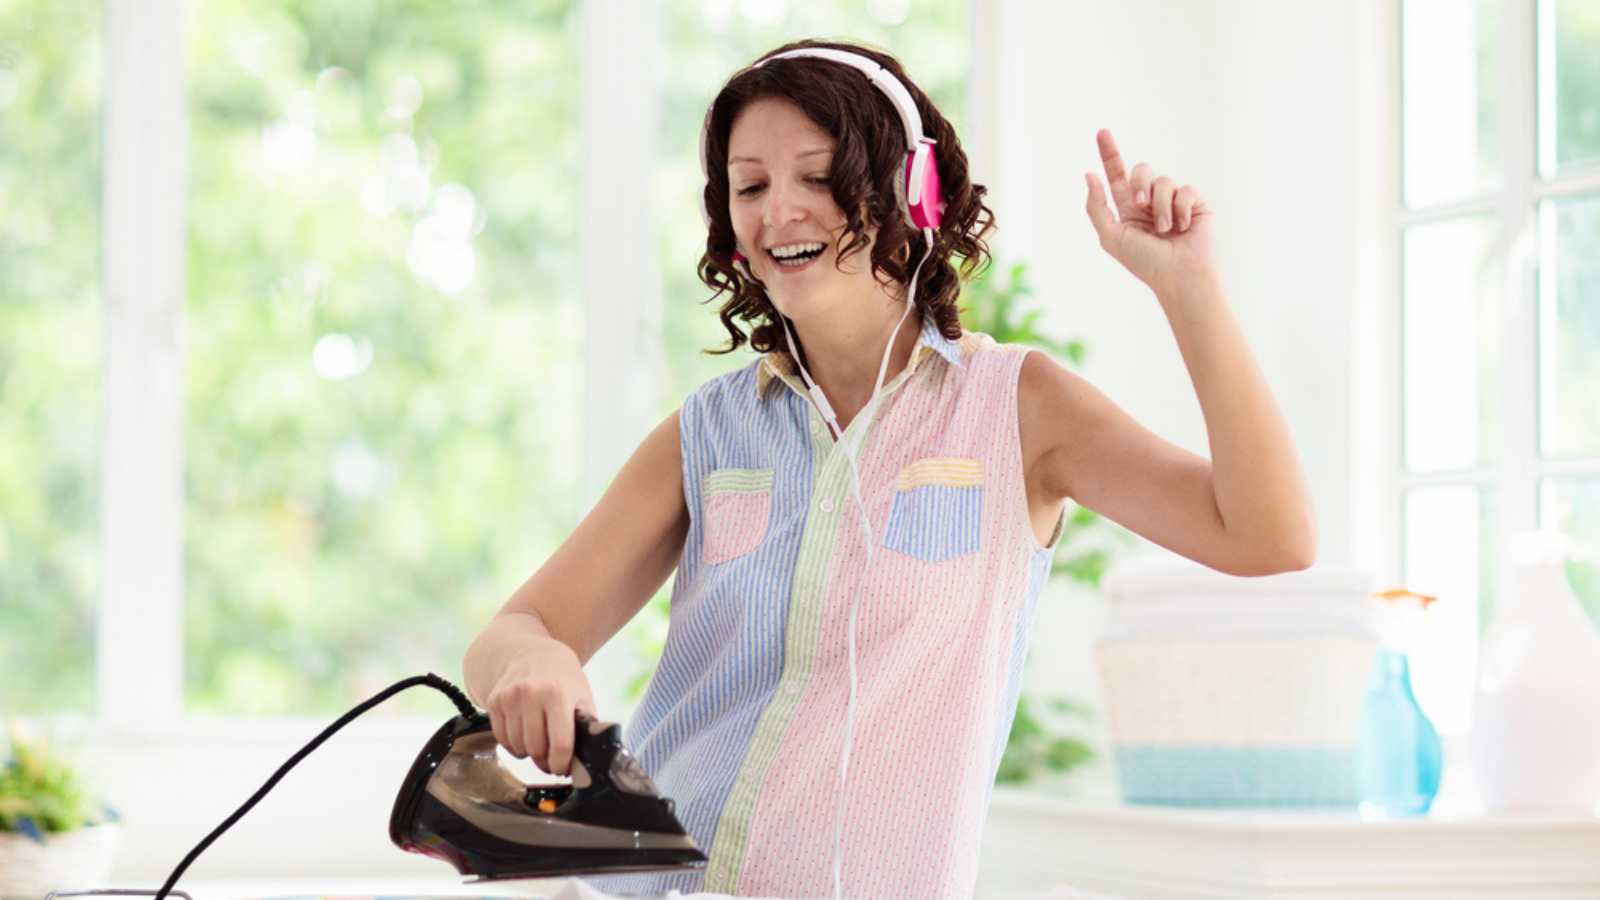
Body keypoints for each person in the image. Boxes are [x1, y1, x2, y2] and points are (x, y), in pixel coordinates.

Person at [462, 38, 1316, 899]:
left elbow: (1267, 536)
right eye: (749, 186)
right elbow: (516, 628)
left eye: (817, 175)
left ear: (914, 191)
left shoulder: (1018, 409)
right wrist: (534, 663)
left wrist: (1189, 290)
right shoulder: (707, 432)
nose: (778, 211)